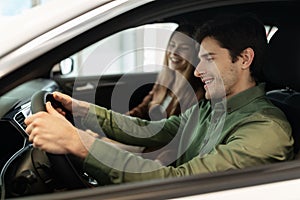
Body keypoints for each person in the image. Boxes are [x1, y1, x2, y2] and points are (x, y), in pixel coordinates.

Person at [25, 14, 294, 185]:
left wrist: (80, 145)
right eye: (198, 60)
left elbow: (177, 183)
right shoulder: (209, 108)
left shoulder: (265, 131)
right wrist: (82, 110)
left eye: (209, 59)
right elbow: (151, 131)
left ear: (245, 59)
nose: (198, 72)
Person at [101, 24, 204, 164]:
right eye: (171, 45)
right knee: (95, 139)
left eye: (183, 48)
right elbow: (141, 110)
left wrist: (136, 147)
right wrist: (116, 127)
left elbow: (175, 139)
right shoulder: (165, 79)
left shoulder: (197, 94)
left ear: (195, 55)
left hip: (153, 150)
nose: (174, 52)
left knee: (94, 147)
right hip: (143, 140)